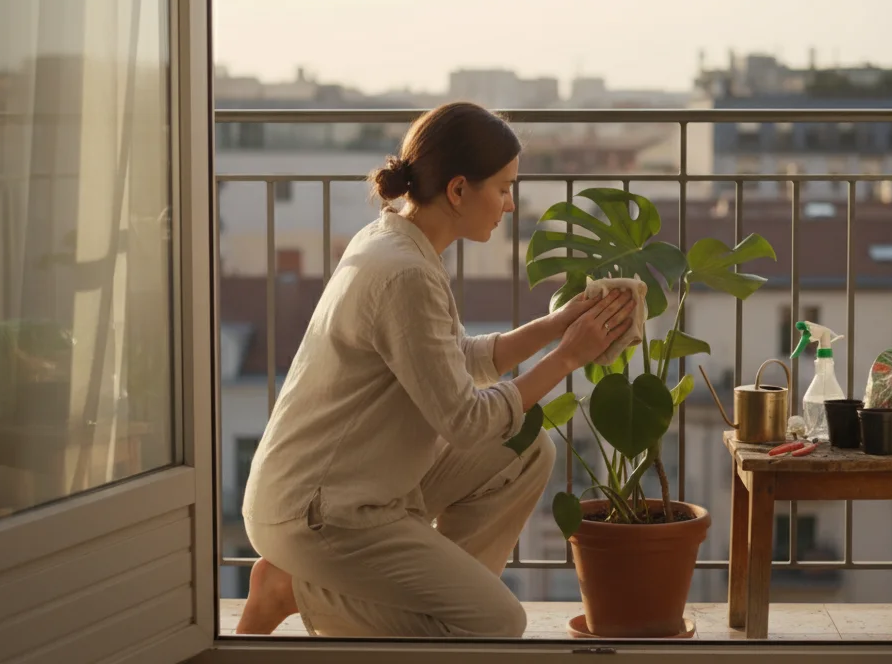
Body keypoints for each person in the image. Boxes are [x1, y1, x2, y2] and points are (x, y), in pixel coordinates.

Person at [237, 102, 636, 638]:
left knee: (524, 448)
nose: (510, 204)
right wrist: (567, 358)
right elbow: (466, 421)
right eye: (502, 188)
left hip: (363, 481)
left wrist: (556, 325)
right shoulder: (404, 273)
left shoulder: (394, 240)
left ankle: (433, 608)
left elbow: (451, 362)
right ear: (457, 190)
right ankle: (293, 589)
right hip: (322, 511)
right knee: (498, 623)